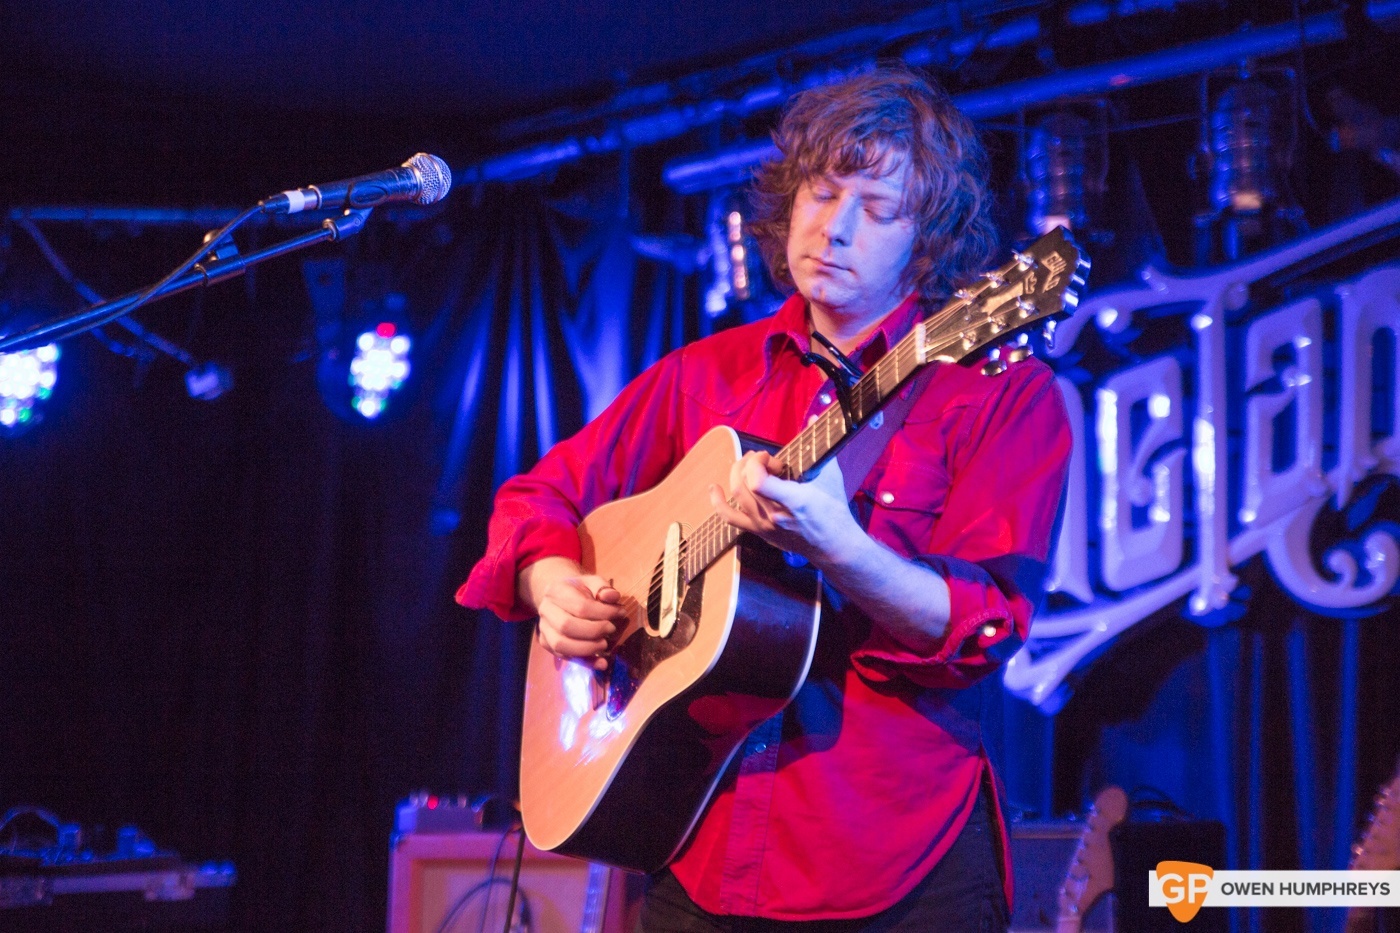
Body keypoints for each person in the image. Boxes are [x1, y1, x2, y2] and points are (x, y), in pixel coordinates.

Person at [458, 66, 1072, 932]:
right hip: (696, 838)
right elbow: (539, 494)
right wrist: (551, 582)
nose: (835, 227)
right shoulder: (704, 375)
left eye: (877, 207)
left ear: (928, 241)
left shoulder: (1000, 397)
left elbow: (986, 627)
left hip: (893, 862)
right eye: (822, 193)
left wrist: (840, 546)